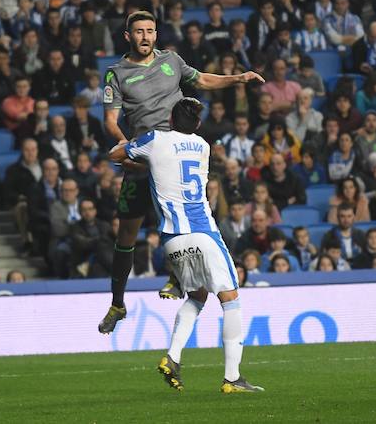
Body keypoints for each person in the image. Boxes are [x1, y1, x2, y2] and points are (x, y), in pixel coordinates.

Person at [98, 11, 263, 334]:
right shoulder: (116, 74)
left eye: (150, 31)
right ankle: (118, 303)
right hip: (141, 155)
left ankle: (177, 278)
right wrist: (126, 146)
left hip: (173, 154)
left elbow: (200, 79)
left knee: (181, 218)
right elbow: (110, 120)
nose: (145, 36)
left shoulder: (172, 61)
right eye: (139, 32)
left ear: (156, 34)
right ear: (128, 37)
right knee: (126, 236)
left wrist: (237, 79)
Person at [109, 97, 263, 392]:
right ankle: (233, 378)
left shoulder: (154, 140)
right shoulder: (204, 146)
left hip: (171, 239)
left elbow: (116, 155)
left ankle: (173, 357)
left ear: (169, 118)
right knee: (230, 299)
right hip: (203, 232)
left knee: (197, 296)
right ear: (198, 124)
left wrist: (140, 159)